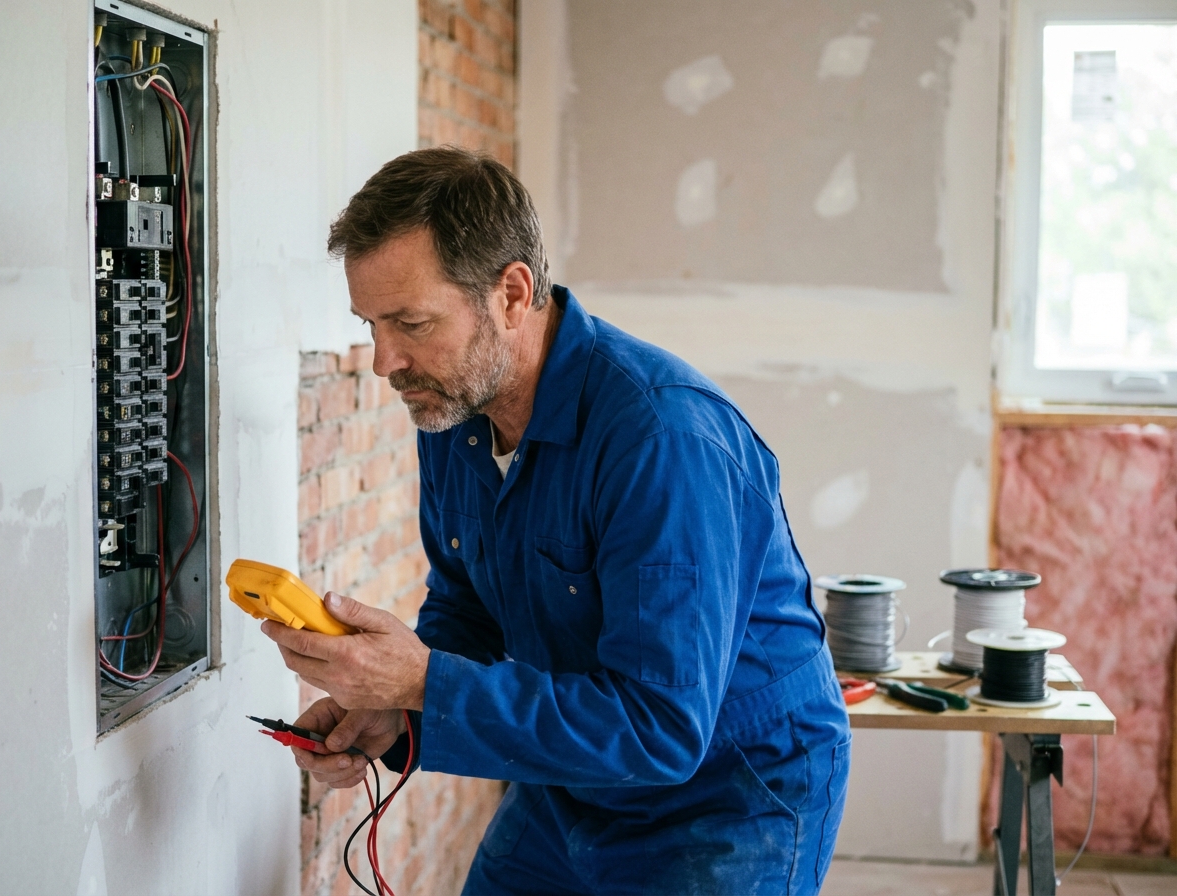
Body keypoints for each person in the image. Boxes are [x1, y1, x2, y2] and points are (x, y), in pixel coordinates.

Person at [262, 147, 851, 895]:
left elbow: (660, 728)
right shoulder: (454, 407)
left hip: (727, 793)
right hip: (578, 776)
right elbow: (468, 609)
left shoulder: (661, 439)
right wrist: (391, 710)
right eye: (372, 324)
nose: (385, 361)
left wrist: (426, 684)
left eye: (411, 322)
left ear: (512, 293)